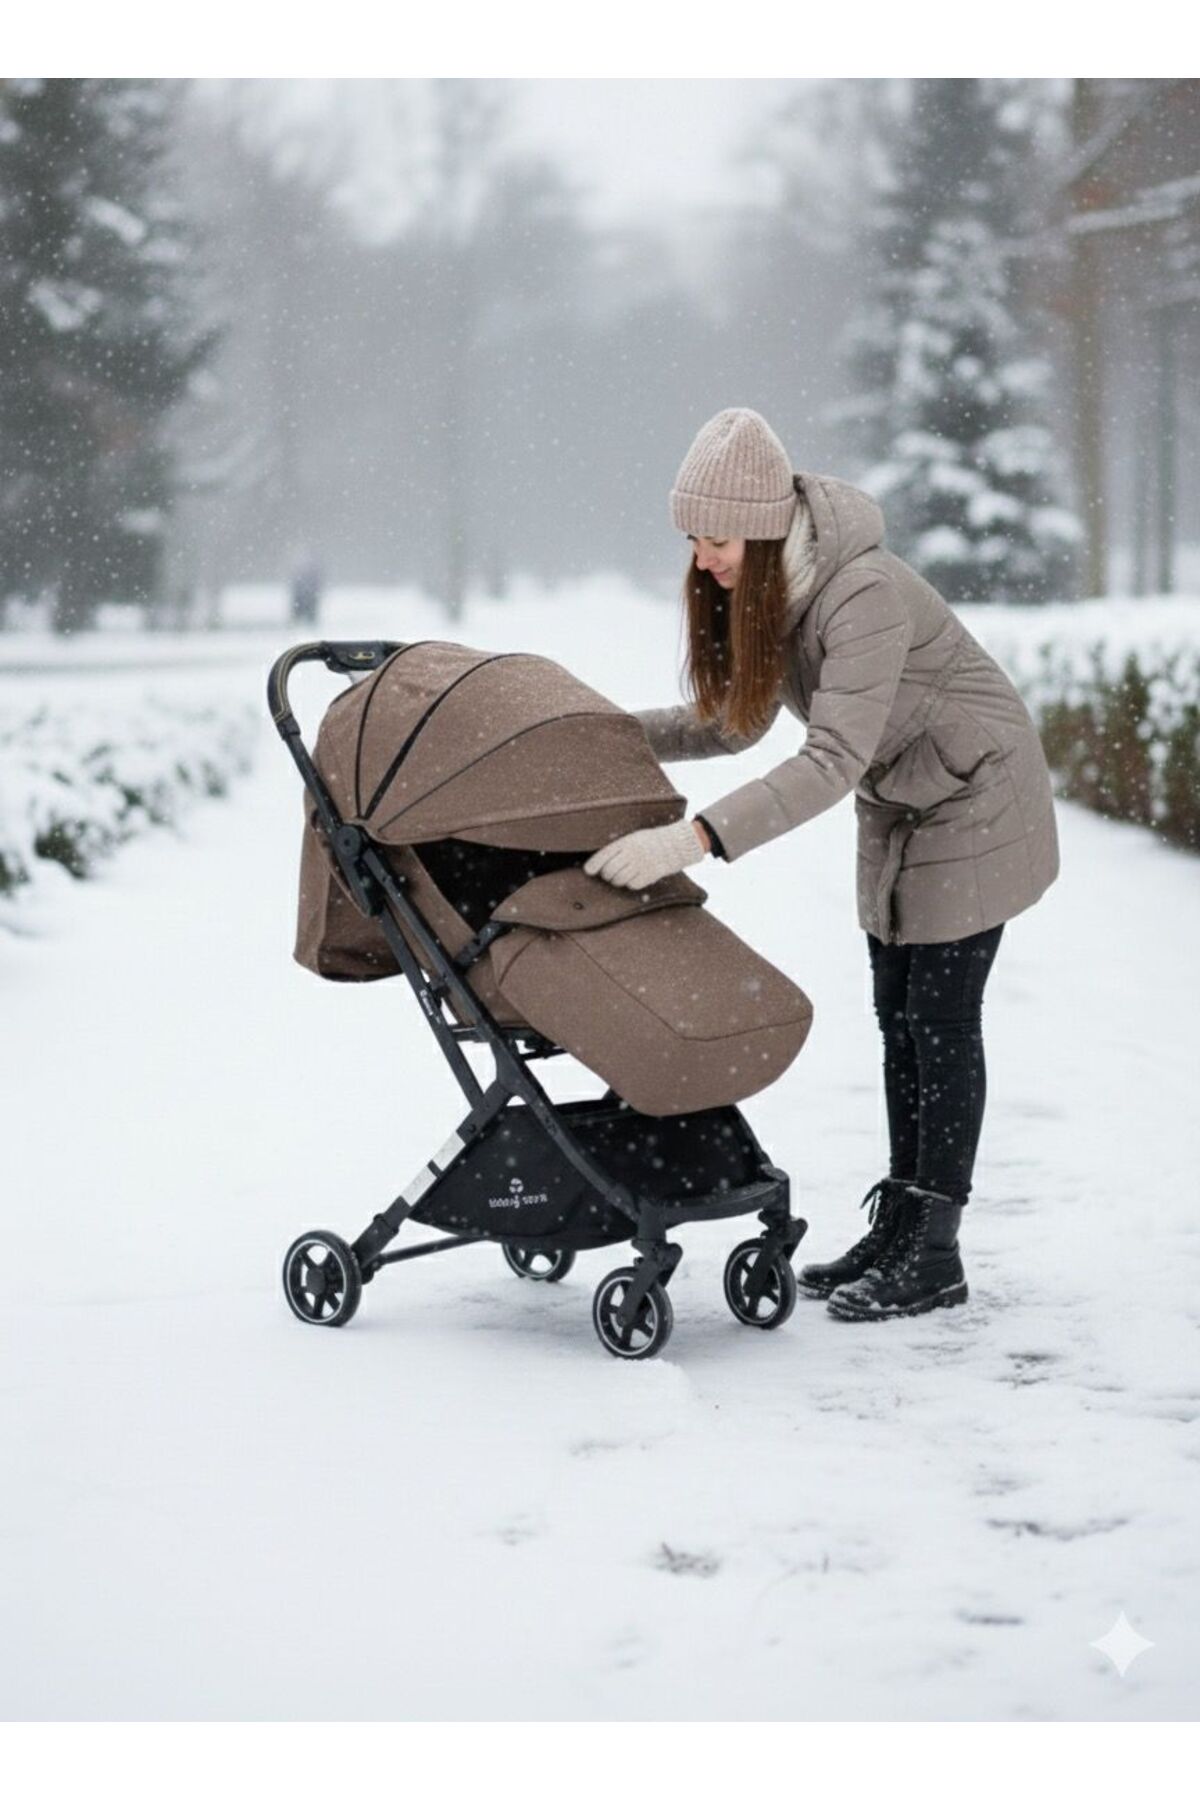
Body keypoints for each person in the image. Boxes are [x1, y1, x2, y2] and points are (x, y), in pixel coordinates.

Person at [583, 407, 1060, 1322]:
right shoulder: (775, 594)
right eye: (691, 539)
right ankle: (903, 1222)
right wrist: (607, 736)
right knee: (896, 1017)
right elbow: (733, 723)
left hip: (977, 794)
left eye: (716, 539)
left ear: (764, 533)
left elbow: (830, 760)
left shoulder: (861, 593)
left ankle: (936, 1249)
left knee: (941, 1017)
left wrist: (693, 840)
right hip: (903, 800)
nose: (702, 559)